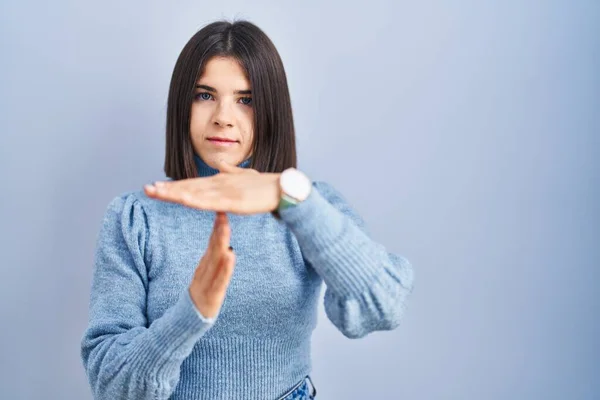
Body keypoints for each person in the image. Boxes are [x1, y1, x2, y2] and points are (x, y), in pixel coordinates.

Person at [80, 19, 415, 400]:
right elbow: (111, 385)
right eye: (205, 95)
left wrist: (290, 198)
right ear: (182, 104)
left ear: (270, 110)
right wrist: (192, 312)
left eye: (246, 100)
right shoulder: (133, 219)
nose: (224, 116)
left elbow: (384, 304)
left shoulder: (305, 204)